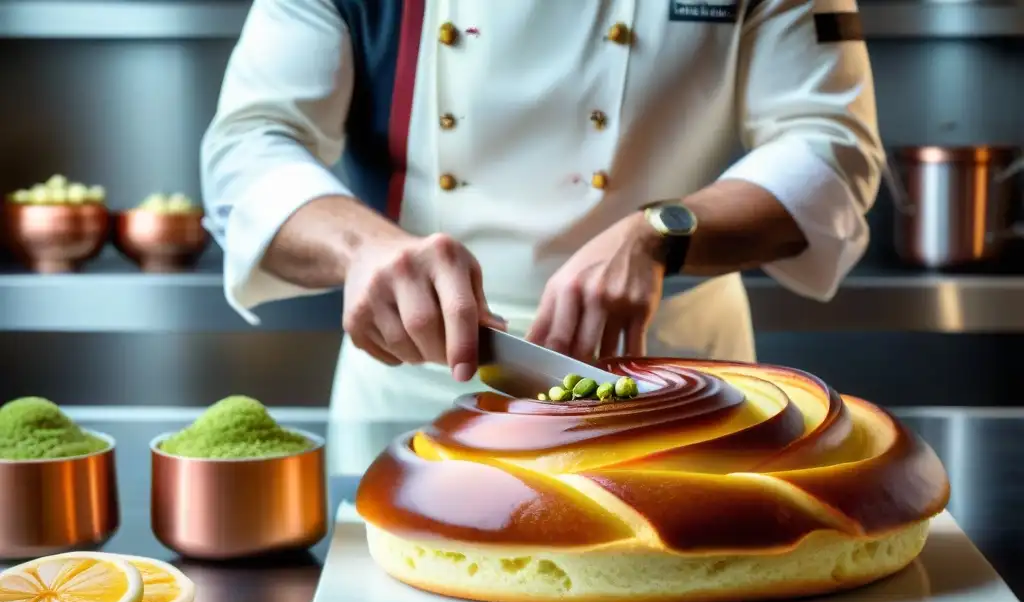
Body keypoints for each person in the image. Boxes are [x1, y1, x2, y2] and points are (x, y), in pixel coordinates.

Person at [201, 0, 883, 475]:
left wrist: (661, 232)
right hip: (418, 385)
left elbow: (832, 147)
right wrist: (364, 249)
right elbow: (249, 148)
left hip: (681, 384)